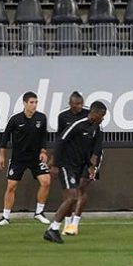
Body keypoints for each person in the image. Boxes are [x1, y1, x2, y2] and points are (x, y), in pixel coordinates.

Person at [43, 101, 107, 244]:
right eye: (101, 115)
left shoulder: (95, 128)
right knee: (72, 196)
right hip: (67, 166)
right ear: (94, 113)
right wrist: (56, 164)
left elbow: (88, 149)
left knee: (72, 197)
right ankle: (53, 229)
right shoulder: (78, 125)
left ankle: (56, 228)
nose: (103, 118)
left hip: (79, 166)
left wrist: (90, 165)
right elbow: (60, 141)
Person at [0, 92, 51, 225]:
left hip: (35, 158)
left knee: (46, 181)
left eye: (36, 102)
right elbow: (5, 138)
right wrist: (1, 156)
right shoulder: (15, 119)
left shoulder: (41, 118)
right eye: (31, 102)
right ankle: (5, 216)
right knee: (11, 186)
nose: (34, 105)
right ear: (25, 103)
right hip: (18, 158)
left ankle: (39, 212)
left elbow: (44, 137)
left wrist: (43, 151)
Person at [55, 92, 101, 236]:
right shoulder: (63, 117)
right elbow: (61, 139)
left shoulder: (93, 117)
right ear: (71, 103)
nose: (80, 107)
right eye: (77, 104)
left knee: (80, 189)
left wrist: (93, 163)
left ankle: (75, 223)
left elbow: (97, 142)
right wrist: (56, 161)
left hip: (88, 159)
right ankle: (66, 224)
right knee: (69, 192)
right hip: (71, 160)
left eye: (81, 103)